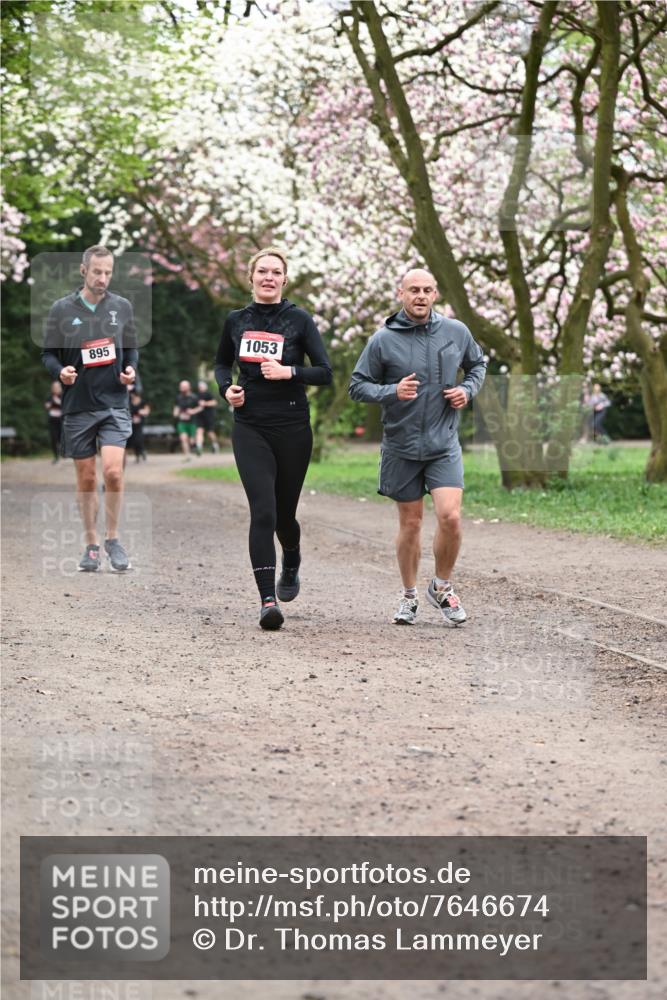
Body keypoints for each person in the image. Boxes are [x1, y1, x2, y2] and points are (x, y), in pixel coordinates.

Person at [349, 268, 486, 627]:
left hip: (443, 442)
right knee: (411, 523)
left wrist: (467, 390)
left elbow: (478, 365)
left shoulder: (457, 332)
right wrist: (391, 391)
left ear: (436, 294)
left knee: (450, 517)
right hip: (401, 444)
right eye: (413, 290)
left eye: (427, 290)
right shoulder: (382, 340)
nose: (420, 296)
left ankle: (441, 586)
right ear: (401, 294)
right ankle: (409, 596)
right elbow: (358, 386)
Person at [214, 247, 332, 630]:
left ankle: (292, 556)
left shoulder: (298, 319)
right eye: (262, 271)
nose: (268, 277)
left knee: (284, 516)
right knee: (262, 510)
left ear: (284, 279)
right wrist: (225, 388)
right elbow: (221, 362)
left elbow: (326, 373)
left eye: (275, 272)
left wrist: (289, 372)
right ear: (251, 278)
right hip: (250, 425)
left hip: (293, 426)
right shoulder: (236, 321)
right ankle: (267, 601)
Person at [41, 244, 138, 572]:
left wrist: (131, 371)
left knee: (112, 471)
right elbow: (48, 354)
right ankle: (92, 544)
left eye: (108, 272)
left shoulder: (121, 307)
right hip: (78, 405)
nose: (103, 278)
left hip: (114, 403)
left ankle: (113, 537)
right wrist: (61, 372)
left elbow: (131, 349)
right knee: (85, 478)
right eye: (97, 272)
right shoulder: (61, 309)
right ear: (83, 271)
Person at [173, 380, 202, 460]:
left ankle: (195, 447)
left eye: (184, 387)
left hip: (192, 422)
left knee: (192, 441)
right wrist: (175, 413)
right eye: (181, 387)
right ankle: (187, 455)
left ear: (189, 387)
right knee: (183, 438)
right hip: (182, 422)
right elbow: (176, 407)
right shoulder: (178, 397)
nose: (182, 388)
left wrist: (193, 411)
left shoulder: (194, 397)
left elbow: (200, 407)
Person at [195, 379, 220, 454]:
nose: (200, 388)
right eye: (199, 386)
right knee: (199, 431)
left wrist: (205, 403)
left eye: (202, 386)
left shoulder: (208, 394)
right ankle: (199, 448)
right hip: (199, 416)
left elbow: (214, 403)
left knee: (210, 433)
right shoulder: (197, 395)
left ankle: (215, 445)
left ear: (205, 387)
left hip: (209, 416)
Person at [127, 389, 150, 462]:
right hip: (131, 425)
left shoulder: (142, 402)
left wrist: (141, 412)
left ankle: (142, 452)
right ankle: (137, 456)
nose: (131, 395)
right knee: (133, 441)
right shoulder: (129, 402)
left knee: (138, 440)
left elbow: (147, 411)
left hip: (139, 425)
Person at [44, 380, 63, 463]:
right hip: (52, 421)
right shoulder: (49, 396)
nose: (56, 388)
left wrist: (57, 402)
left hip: (61, 421)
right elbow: (46, 406)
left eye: (57, 387)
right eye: (54, 387)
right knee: (53, 438)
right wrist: (51, 403)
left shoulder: (62, 396)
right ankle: (56, 456)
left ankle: (63, 453)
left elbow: (64, 405)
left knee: (61, 438)